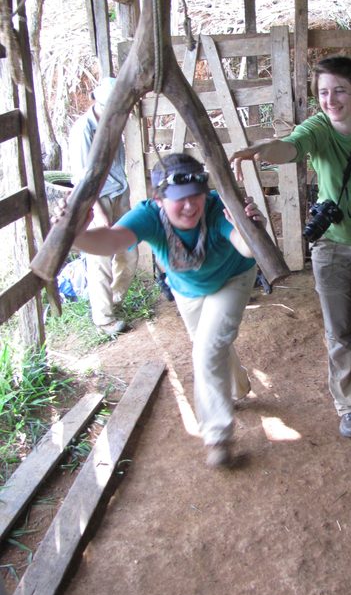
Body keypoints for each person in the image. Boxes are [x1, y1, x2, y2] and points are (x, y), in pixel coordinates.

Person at [231, 55, 351, 440]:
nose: (331, 99)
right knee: (339, 330)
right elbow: (290, 148)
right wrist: (263, 147)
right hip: (331, 244)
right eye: (323, 92)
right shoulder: (317, 127)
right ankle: (348, 405)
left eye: (340, 91)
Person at [56, 152, 262, 469]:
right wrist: (77, 234)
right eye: (179, 199)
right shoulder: (148, 216)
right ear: (158, 198)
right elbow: (111, 241)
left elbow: (247, 248)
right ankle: (238, 385)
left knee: (208, 349)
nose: (190, 206)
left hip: (233, 277)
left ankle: (218, 435)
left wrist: (246, 225)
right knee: (210, 343)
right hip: (187, 288)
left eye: (196, 196)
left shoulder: (218, 205)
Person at [68, 76, 138, 335]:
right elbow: (81, 179)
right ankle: (104, 318)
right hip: (98, 199)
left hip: (120, 194)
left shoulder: (113, 124)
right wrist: (98, 214)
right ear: (100, 103)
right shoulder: (82, 131)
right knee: (99, 258)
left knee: (129, 252)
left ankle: (114, 298)